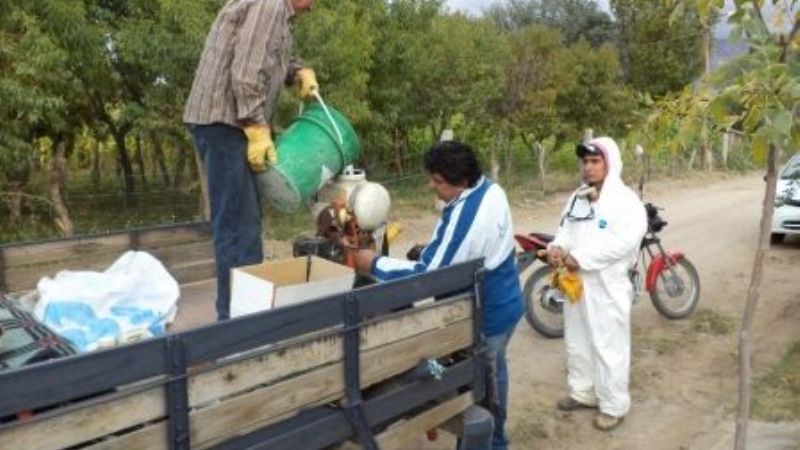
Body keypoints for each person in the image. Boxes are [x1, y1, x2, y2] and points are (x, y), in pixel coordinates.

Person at [352, 141, 525, 450]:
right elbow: (456, 249)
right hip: (508, 300)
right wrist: (432, 249)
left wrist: (373, 263)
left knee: (482, 388)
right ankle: (496, 439)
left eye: (438, 181)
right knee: (494, 373)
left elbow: (428, 275)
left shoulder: (468, 217)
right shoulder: (490, 189)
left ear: (461, 180)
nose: (431, 185)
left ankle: (491, 443)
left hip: (488, 313)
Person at [184, 0, 319, 320]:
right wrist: (257, 126)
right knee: (238, 229)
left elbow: (264, 57)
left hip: (228, 124)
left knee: (244, 224)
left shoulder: (272, 10)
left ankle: (241, 318)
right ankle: (237, 326)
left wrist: (296, 70)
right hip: (227, 124)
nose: (313, 6)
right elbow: (246, 74)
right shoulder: (270, 5)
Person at [547, 137, 647, 431]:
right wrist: (557, 247)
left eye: (595, 161)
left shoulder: (626, 202)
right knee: (577, 340)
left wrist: (579, 258)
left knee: (608, 345)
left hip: (607, 286)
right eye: (585, 162)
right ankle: (583, 393)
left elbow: (622, 243)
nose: (588, 167)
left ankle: (613, 405)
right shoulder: (578, 197)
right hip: (576, 284)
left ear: (610, 163)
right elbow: (565, 229)